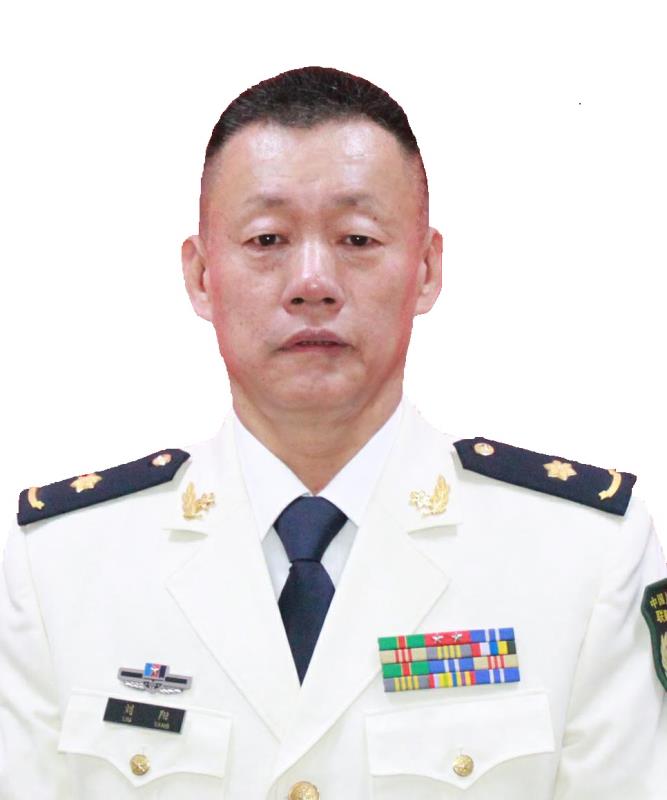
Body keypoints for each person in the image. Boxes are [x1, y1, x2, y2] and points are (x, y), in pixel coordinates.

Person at [0, 66, 665, 800]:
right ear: (200, 275)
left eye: (356, 238)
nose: (311, 282)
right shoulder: (58, 568)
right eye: (267, 239)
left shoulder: (583, 557)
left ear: (426, 269)